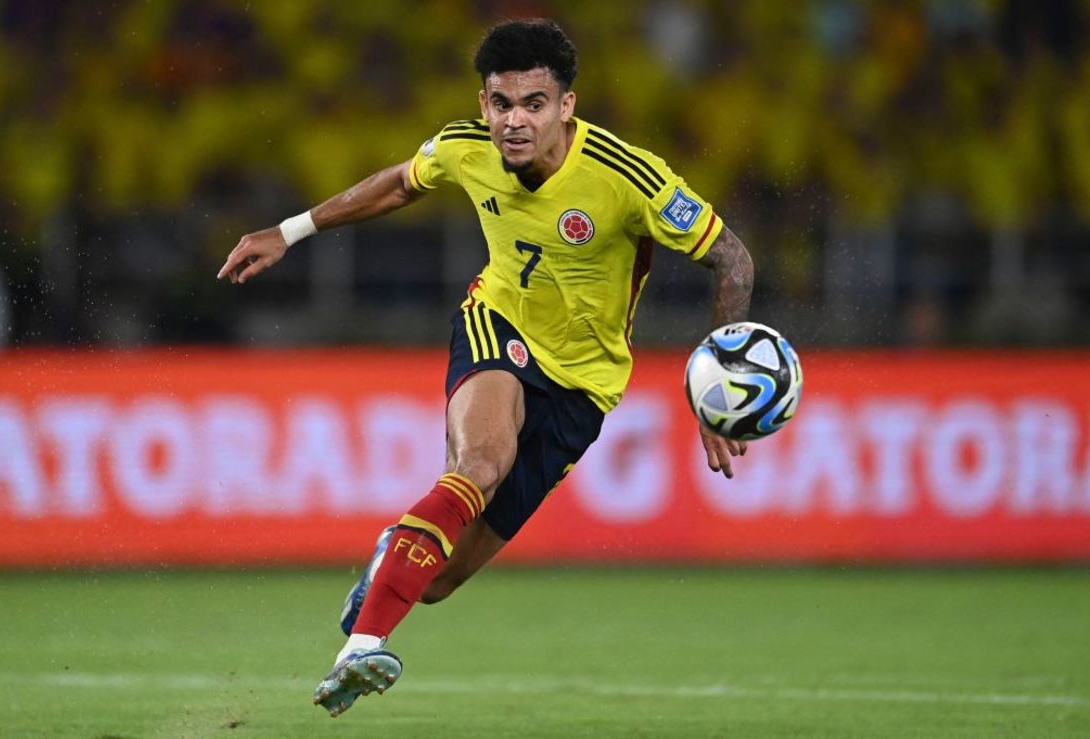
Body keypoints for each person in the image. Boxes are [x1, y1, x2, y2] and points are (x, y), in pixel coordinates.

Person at [217, 18, 754, 718]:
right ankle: (364, 643)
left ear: (567, 105)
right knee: (481, 463)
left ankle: (396, 558)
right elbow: (400, 185)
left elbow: (733, 260)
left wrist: (715, 388)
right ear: (483, 106)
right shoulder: (465, 148)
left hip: (584, 388)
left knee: (437, 580)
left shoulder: (629, 177)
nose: (515, 121)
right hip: (496, 329)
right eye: (502, 104)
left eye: (534, 103)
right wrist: (289, 232)